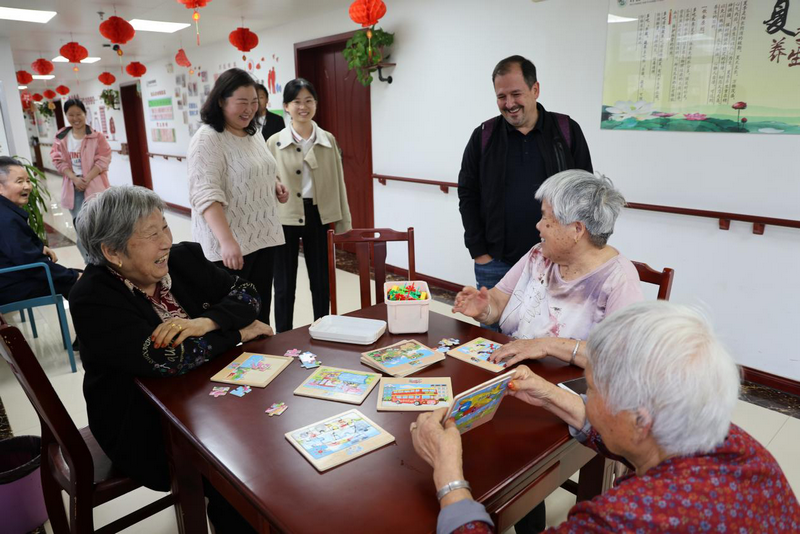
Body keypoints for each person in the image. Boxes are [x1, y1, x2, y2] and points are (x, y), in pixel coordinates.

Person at [412, 301, 800, 533]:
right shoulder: (740, 447)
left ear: (639, 419)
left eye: (592, 389)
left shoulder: (624, 519)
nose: (587, 396)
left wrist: (450, 479)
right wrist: (552, 397)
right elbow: (634, 437)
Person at [69, 186, 272, 533]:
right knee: (234, 475)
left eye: (164, 226)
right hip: (142, 424)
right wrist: (236, 333)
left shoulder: (182, 259)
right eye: (151, 234)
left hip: (212, 398)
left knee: (266, 442)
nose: (165, 240)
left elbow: (248, 294)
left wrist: (206, 322)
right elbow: (167, 360)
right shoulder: (92, 298)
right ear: (112, 251)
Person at [454, 170, 643, 370]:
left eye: (546, 218)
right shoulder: (539, 255)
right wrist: (485, 308)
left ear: (577, 230)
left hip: (568, 389)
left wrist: (545, 345)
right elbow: (499, 301)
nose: (538, 225)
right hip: (517, 372)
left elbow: (618, 358)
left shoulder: (619, 279)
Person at [458, 55, 593, 329]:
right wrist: (479, 252)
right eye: (501, 96)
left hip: (556, 262)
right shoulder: (483, 136)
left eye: (516, 94)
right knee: (492, 342)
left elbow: (586, 194)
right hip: (496, 262)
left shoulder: (566, 131)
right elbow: (467, 195)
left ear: (535, 90)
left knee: (548, 335)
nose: (509, 104)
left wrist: (579, 252)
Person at [188, 68, 289, 326]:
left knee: (260, 312)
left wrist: (274, 184)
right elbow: (206, 194)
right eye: (242, 102)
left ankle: (266, 363)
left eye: (254, 102)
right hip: (231, 247)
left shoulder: (251, 133)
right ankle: (240, 367)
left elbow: (257, 169)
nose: (249, 109)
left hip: (261, 237)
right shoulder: (208, 139)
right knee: (236, 319)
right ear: (221, 100)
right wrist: (226, 241)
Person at [267, 78, 352, 332]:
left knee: (321, 281)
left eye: (309, 101)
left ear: (315, 104)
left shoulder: (327, 139)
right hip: (285, 215)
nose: (303, 107)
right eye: (297, 102)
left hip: (319, 214)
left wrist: (343, 219)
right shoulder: (274, 142)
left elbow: (339, 181)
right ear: (286, 106)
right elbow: (267, 182)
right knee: (283, 283)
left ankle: (322, 328)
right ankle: (283, 334)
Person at [0, 156, 80, 305]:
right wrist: (73, 276)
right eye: (19, 182)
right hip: (9, 284)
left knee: (79, 276)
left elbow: (16, 250)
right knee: (80, 283)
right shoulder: (6, 219)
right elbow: (31, 264)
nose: (28, 186)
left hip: (10, 275)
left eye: (28, 181)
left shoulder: (5, 211)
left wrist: (38, 248)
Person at [50, 98, 111, 263]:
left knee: (100, 223)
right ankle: (90, 262)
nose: (75, 118)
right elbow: (57, 160)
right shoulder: (62, 137)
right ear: (66, 116)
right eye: (71, 115)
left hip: (95, 186)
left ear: (85, 114)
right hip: (73, 188)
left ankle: (106, 260)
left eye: (79, 114)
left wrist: (86, 179)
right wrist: (74, 179)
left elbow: (103, 159)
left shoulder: (96, 137)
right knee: (80, 227)